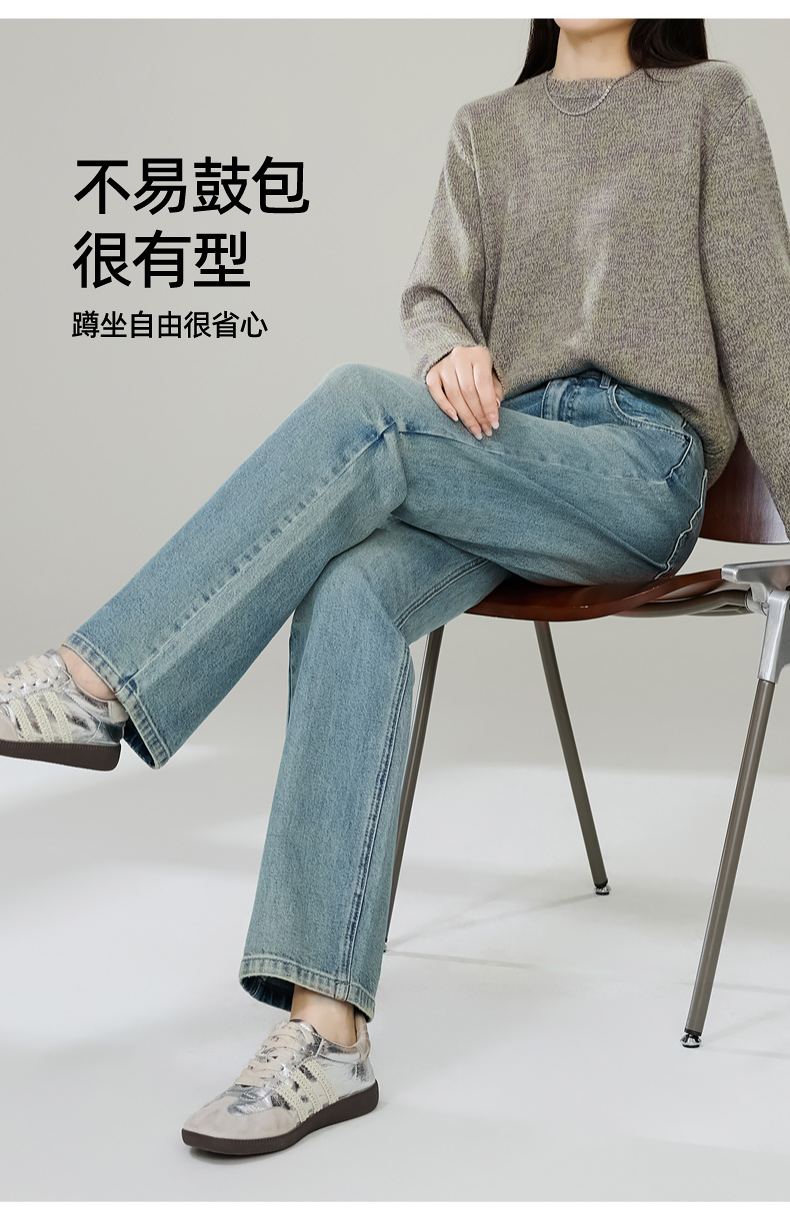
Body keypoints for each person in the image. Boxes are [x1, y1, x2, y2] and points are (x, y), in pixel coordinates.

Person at [3, 17, 790, 1157]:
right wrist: (447, 350)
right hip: (500, 448)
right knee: (348, 592)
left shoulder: (708, 103)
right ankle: (327, 1034)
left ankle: (95, 682)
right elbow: (435, 296)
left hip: (633, 470)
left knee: (358, 408)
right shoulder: (487, 129)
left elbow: (766, 325)